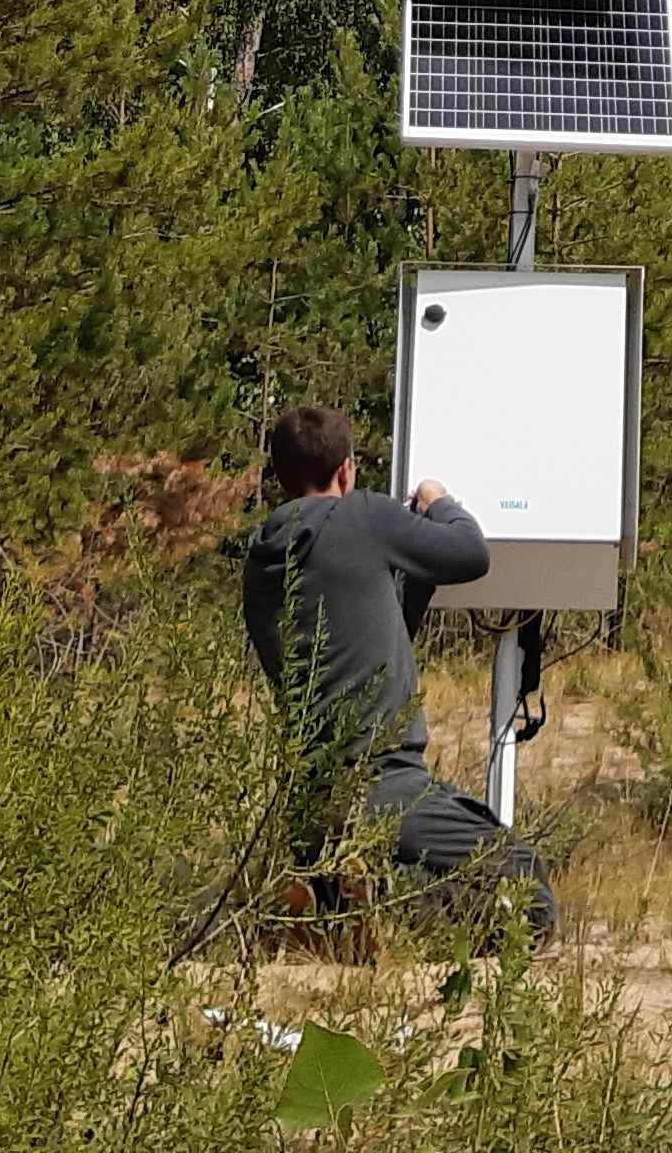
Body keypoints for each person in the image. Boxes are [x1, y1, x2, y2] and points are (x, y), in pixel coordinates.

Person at [239, 399, 557, 944]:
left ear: (279, 476)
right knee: (526, 895)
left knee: (399, 863)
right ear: (346, 470)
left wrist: (410, 574)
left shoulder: (262, 555)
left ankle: (328, 902)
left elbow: (376, 636)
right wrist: (440, 503)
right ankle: (379, 907)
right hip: (384, 781)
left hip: (310, 793)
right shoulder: (364, 515)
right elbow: (468, 553)